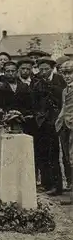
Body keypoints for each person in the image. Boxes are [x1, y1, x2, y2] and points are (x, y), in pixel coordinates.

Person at [32, 57, 66, 195]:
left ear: (52, 68)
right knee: (43, 154)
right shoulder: (37, 83)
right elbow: (34, 102)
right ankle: (47, 184)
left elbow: (63, 98)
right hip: (42, 122)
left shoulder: (60, 80)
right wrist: (38, 116)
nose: (43, 71)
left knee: (54, 154)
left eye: (46, 69)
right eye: (41, 69)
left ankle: (57, 186)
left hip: (57, 121)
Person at [55, 60, 73, 205]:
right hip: (64, 127)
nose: (67, 76)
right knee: (67, 159)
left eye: (70, 73)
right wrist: (58, 123)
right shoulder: (64, 90)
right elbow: (63, 108)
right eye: (65, 73)